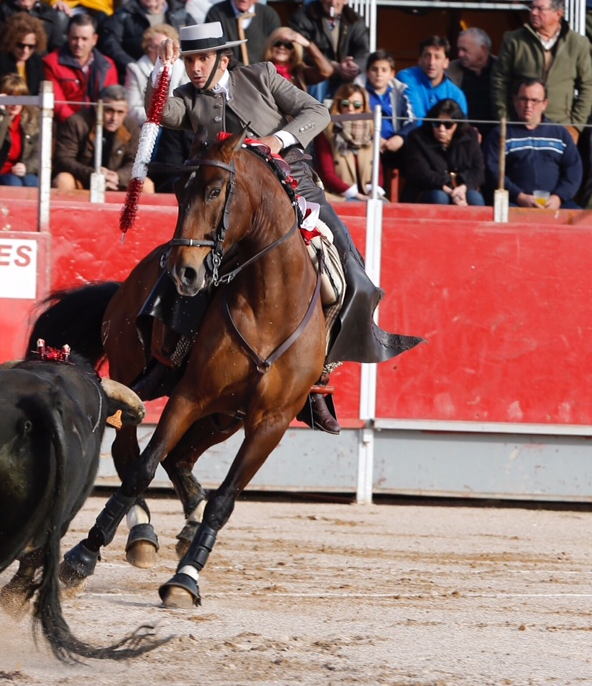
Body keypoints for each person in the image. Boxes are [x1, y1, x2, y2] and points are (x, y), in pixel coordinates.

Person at [148, 21, 410, 432]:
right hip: (233, 213)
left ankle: (317, 381)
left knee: (353, 279)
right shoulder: (187, 98)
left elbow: (317, 110)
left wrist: (280, 140)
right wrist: (162, 72)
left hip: (297, 191)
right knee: (181, 271)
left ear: (224, 59)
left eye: (202, 59)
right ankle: (170, 360)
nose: (195, 68)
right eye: (190, 60)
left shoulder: (263, 76)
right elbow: (158, 110)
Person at [492, 0, 592, 140]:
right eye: (532, 7)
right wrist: (504, 120)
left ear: (558, 14)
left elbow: (588, 86)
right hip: (520, 124)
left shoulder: (578, 44)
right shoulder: (514, 40)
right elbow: (499, 82)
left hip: (560, 125)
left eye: (540, 9)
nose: (533, 12)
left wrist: (576, 126)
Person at [485, 79, 583, 210]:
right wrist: (519, 196)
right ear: (515, 100)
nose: (528, 105)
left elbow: (574, 170)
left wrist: (558, 197)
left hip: (556, 204)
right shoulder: (501, 134)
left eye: (534, 101)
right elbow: (493, 170)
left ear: (545, 104)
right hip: (514, 203)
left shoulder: (560, 134)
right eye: (523, 99)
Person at [287, 0, 369, 99]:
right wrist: (332, 65)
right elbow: (300, 51)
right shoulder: (304, 17)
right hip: (315, 73)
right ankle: (315, 116)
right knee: (319, 80)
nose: (333, 1)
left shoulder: (354, 20)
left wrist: (354, 66)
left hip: (344, 76)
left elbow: (363, 51)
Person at [53, 84, 143, 190]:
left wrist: (118, 176)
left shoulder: (131, 127)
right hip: (82, 179)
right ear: (97, 108)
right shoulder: (77, 123)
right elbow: (63, 159)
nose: (114, 118)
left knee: (145, 185)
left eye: (120, 112)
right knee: (63, 180)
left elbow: (136, 161)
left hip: (115, 182)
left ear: (126, 111)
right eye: (109, 111)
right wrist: (94, 174)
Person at [399, 98, 484, 206]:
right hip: (427, 189)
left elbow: (479, 171)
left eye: (448, 125)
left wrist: (462, 188)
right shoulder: (417, 137)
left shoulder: (470, 135)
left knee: (475, 200)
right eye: (436, 124)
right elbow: (420, 173)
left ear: (457, 125)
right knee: (439, 197)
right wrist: (450, 191)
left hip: (462, 187)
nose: (441, 129)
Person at [100, 0, 189, 70]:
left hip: (175, 72)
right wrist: (132, 66)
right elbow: (110, 43)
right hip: (136, 73)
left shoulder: (180, 14)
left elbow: (195, 44)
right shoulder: (124, 14)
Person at [312, 83, 383, 201]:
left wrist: (373, 192)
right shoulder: (326, 131)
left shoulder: (371, 129)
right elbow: (327, 173)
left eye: (357, 105)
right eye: (345, 103)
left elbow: (378, 170)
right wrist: (357, 195)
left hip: (369, 194)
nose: (350, 108)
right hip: (339, 195)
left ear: (363, 107)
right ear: (339, 105)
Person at [44, 12, 119, 122]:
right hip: (66, 127)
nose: (79, 44)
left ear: (94, 40)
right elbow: (58, 104)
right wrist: (78, 125)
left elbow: (112, 102)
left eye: (84, 39)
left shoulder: (107, 65)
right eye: (75, 38)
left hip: (100, 125)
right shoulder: (51, 63)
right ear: (68, 37)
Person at [206, 0, 279, 65]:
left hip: (262, 75)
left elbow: (276, 50)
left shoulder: (268, 15)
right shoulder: (216, 13)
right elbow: (215, 50)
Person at [398, 36, 469, 128]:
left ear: (446, 63)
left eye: (437, 57)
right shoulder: (407, 77)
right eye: (427, 56)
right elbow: (416, 120)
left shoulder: (457, 94)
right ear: (419, 60)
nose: (431, 62)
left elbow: (462, 128)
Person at [0, 73, 42, 186]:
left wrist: (26, 167)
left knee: (33, 182)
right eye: (10, 98)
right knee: (13, 182)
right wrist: (1, 113)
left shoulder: (32, 117)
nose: (15, 104)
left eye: (20, 97)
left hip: (23, 171)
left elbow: (39, 152)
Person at [125, 23, 187, 120]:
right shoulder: (135, 69)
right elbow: (133, 109)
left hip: (177, 124)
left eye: (163, 46)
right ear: (147, 48)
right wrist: (158, 118)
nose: (159, 51)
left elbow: (186, 102)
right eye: (154, 46)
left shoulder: (182, 67)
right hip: (147, 123)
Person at [364, 50, 412, 172]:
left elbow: (411, 121)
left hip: (394, 144)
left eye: (384, 70)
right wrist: (374, 138)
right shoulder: (359, 92)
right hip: (367, 143)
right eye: (374, 69)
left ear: (392, 74)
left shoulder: (399, 93)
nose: (379, 74)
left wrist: (400, 138)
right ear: (367, 73)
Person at [0, 11, 48, 95]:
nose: (25, 51)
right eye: (20, 45)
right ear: (11, 41)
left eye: (31, 46)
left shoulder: (37, 62)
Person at [445, 27, 495, 132]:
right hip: (463, 135)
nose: (460, 54)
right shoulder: (449, 71)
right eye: (459, 49)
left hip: (496, 134)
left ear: (483, 50)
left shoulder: (502, 69)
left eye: (464, 50)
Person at [262, 27, 332, 90]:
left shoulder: (299, 71)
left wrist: (308, 45)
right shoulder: (261, 70)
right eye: (277, 43)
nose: (282, 47)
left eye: (288, 45)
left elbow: (326, 71)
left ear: (294, 51)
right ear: (270, 45)